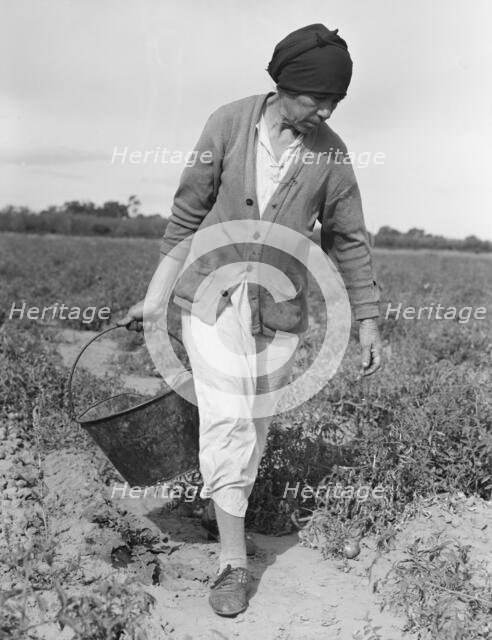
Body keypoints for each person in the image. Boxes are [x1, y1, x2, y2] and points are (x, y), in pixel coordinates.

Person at [119, 23, 382, 617]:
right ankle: (234, 564)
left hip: (276, 311)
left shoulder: (329, 154)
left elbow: (349, 239)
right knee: (231, 420)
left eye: (336, 101)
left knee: (253, 426)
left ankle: (219, 505)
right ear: (284, 85)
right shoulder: (228, 123)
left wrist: (367, 320)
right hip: (210, 300)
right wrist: (156, 297)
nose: (325, 109)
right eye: (317, 97)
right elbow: (185, 217)